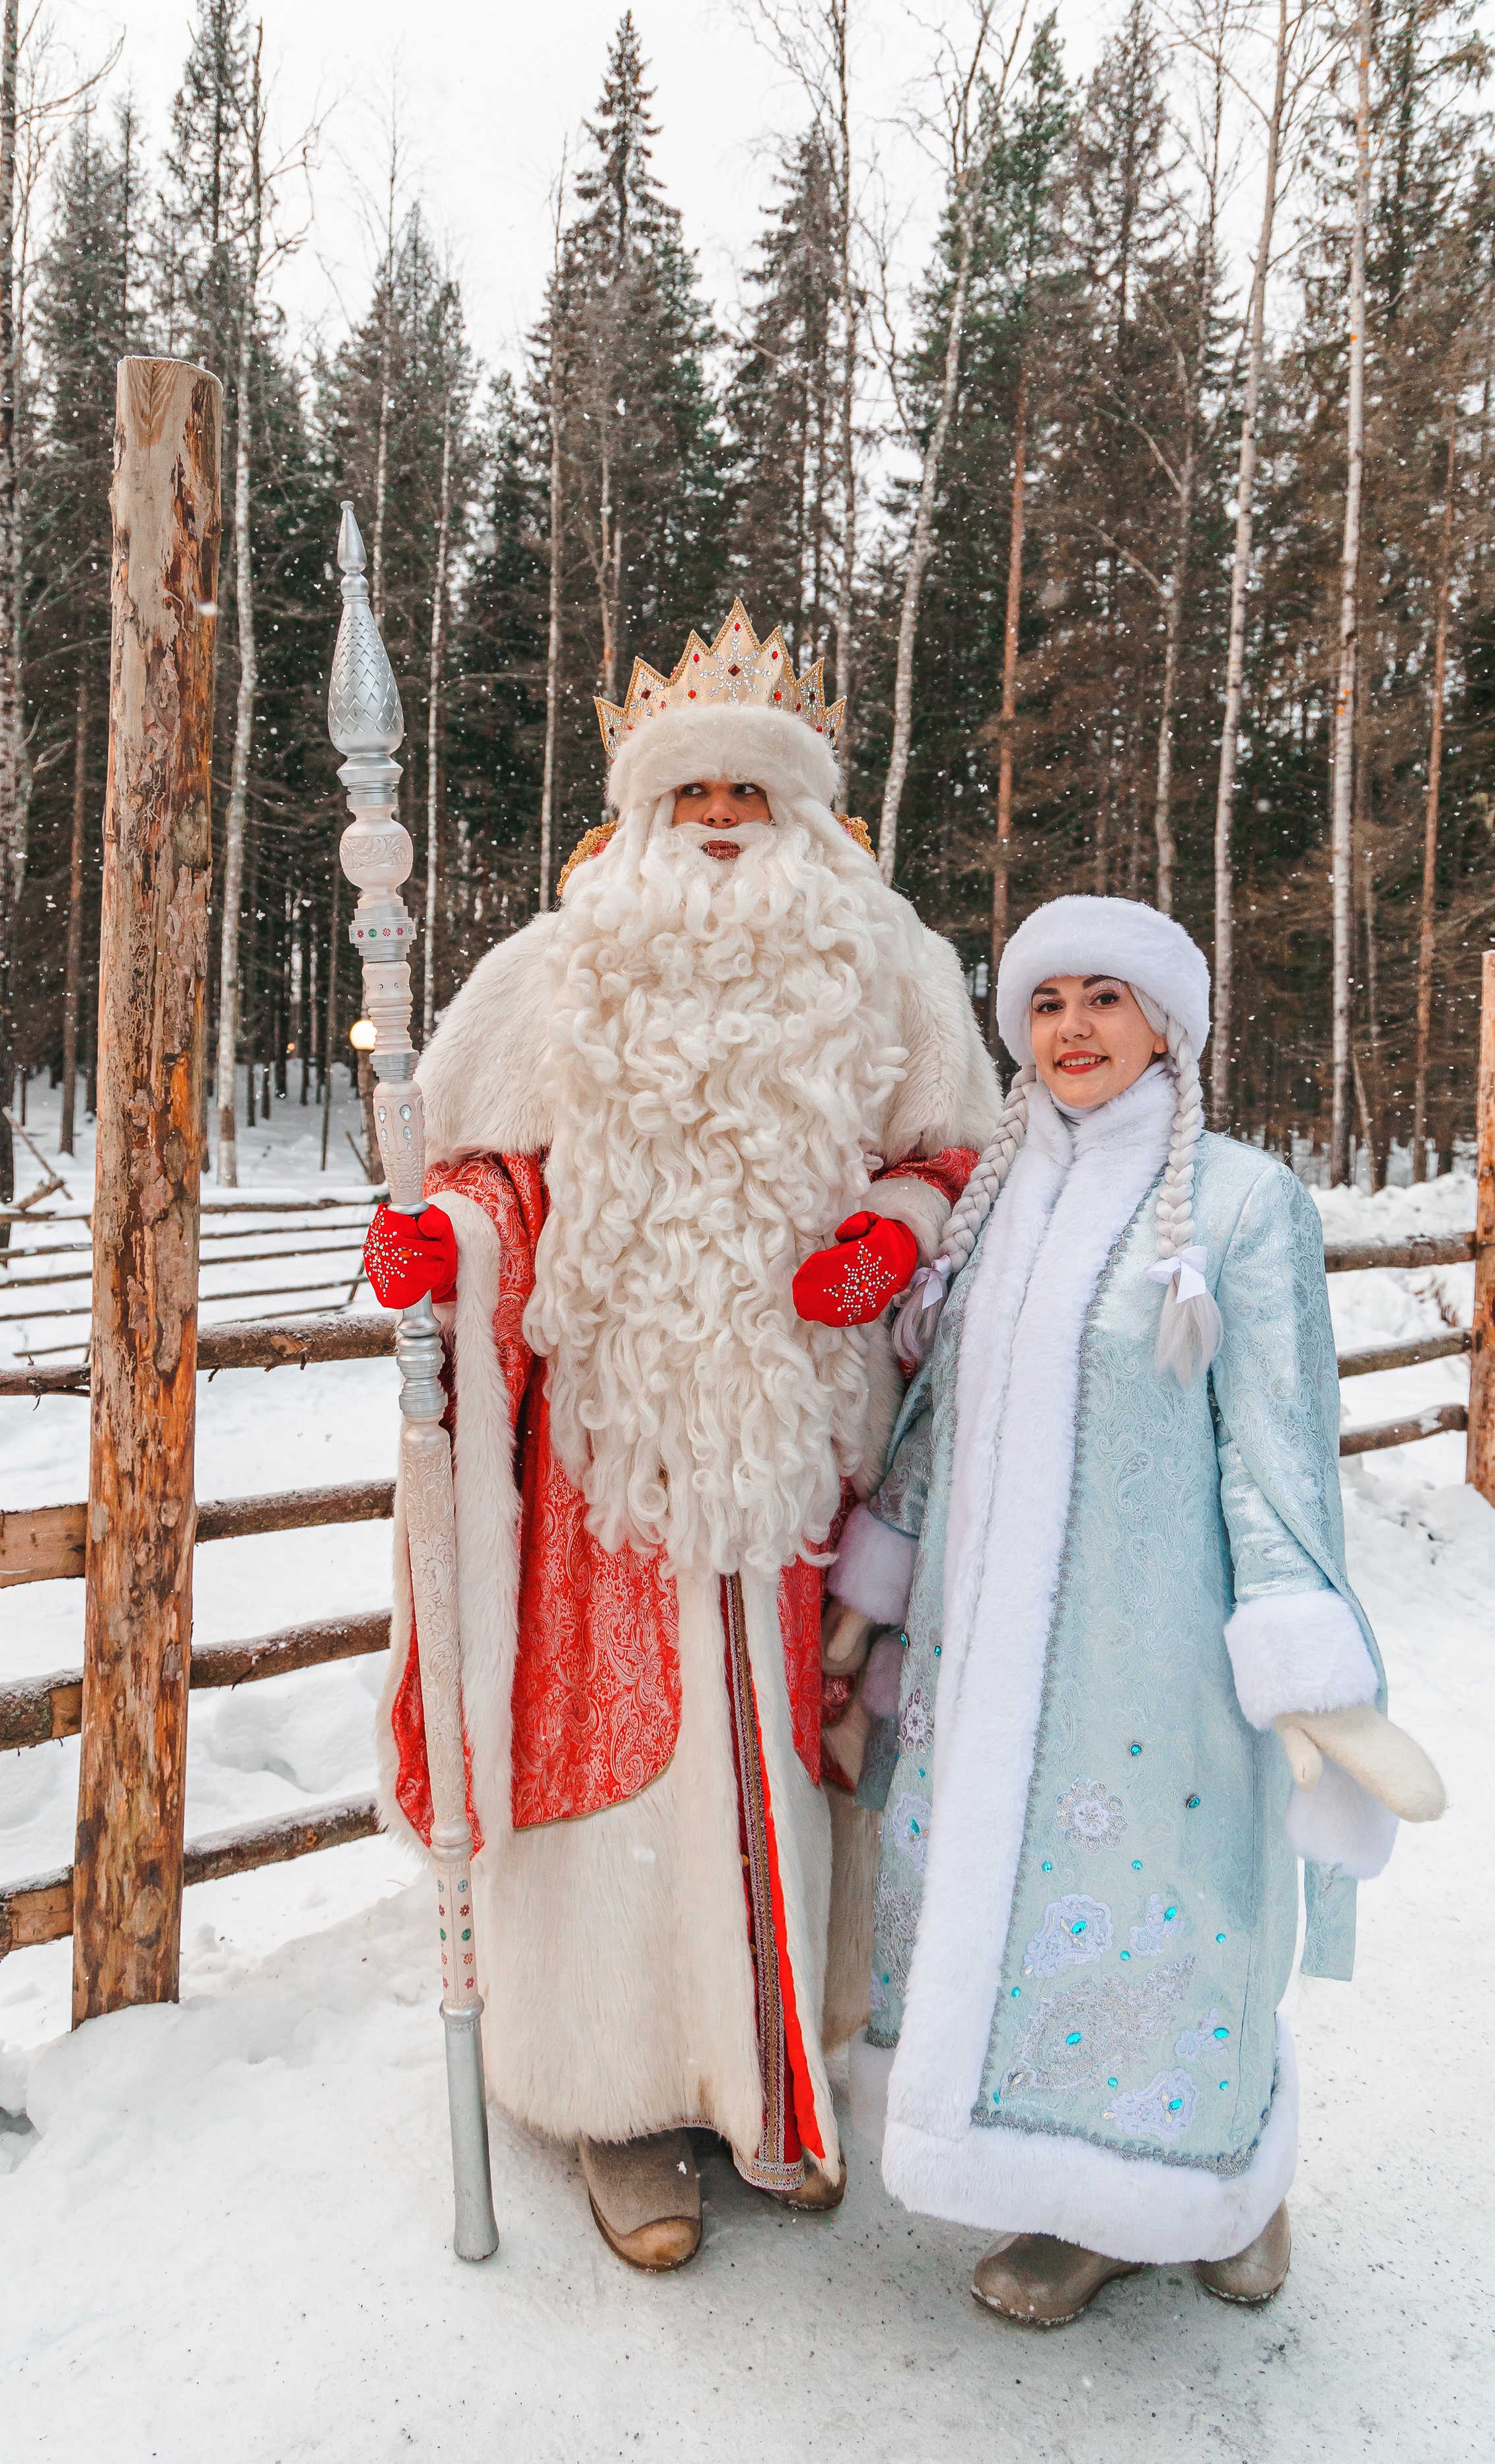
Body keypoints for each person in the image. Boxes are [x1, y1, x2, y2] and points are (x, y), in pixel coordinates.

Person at [361, 603, 999, 2270]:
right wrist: (450, 1241)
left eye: (749, 793)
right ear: (641, 811)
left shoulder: (890, 962)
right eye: (691, 793)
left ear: (802, 810)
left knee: (790, 1748)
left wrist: (894, 1232)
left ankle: (772, 2073)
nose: (720, 821)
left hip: (802, 1441)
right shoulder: (552, 967)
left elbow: (958, 1152)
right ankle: (619, 2101)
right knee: (618, 1754)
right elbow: (490, 1174)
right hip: (609, 1452)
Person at [826, 894, 1446, 2324]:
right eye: (1047, 1003)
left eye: (1104, 998)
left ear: (1165, 1024)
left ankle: (1220, 2178)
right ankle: (1073, 2199)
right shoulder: (992, 1208)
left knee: (1171, 1921)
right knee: (1016, 1927)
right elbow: (939, 1421)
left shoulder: (1238, 1204)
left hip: (1156, 1666)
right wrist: (875, 1588)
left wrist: (1304, 1665)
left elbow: (1273, 1452)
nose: (1073, 1028)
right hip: (980, 1666)